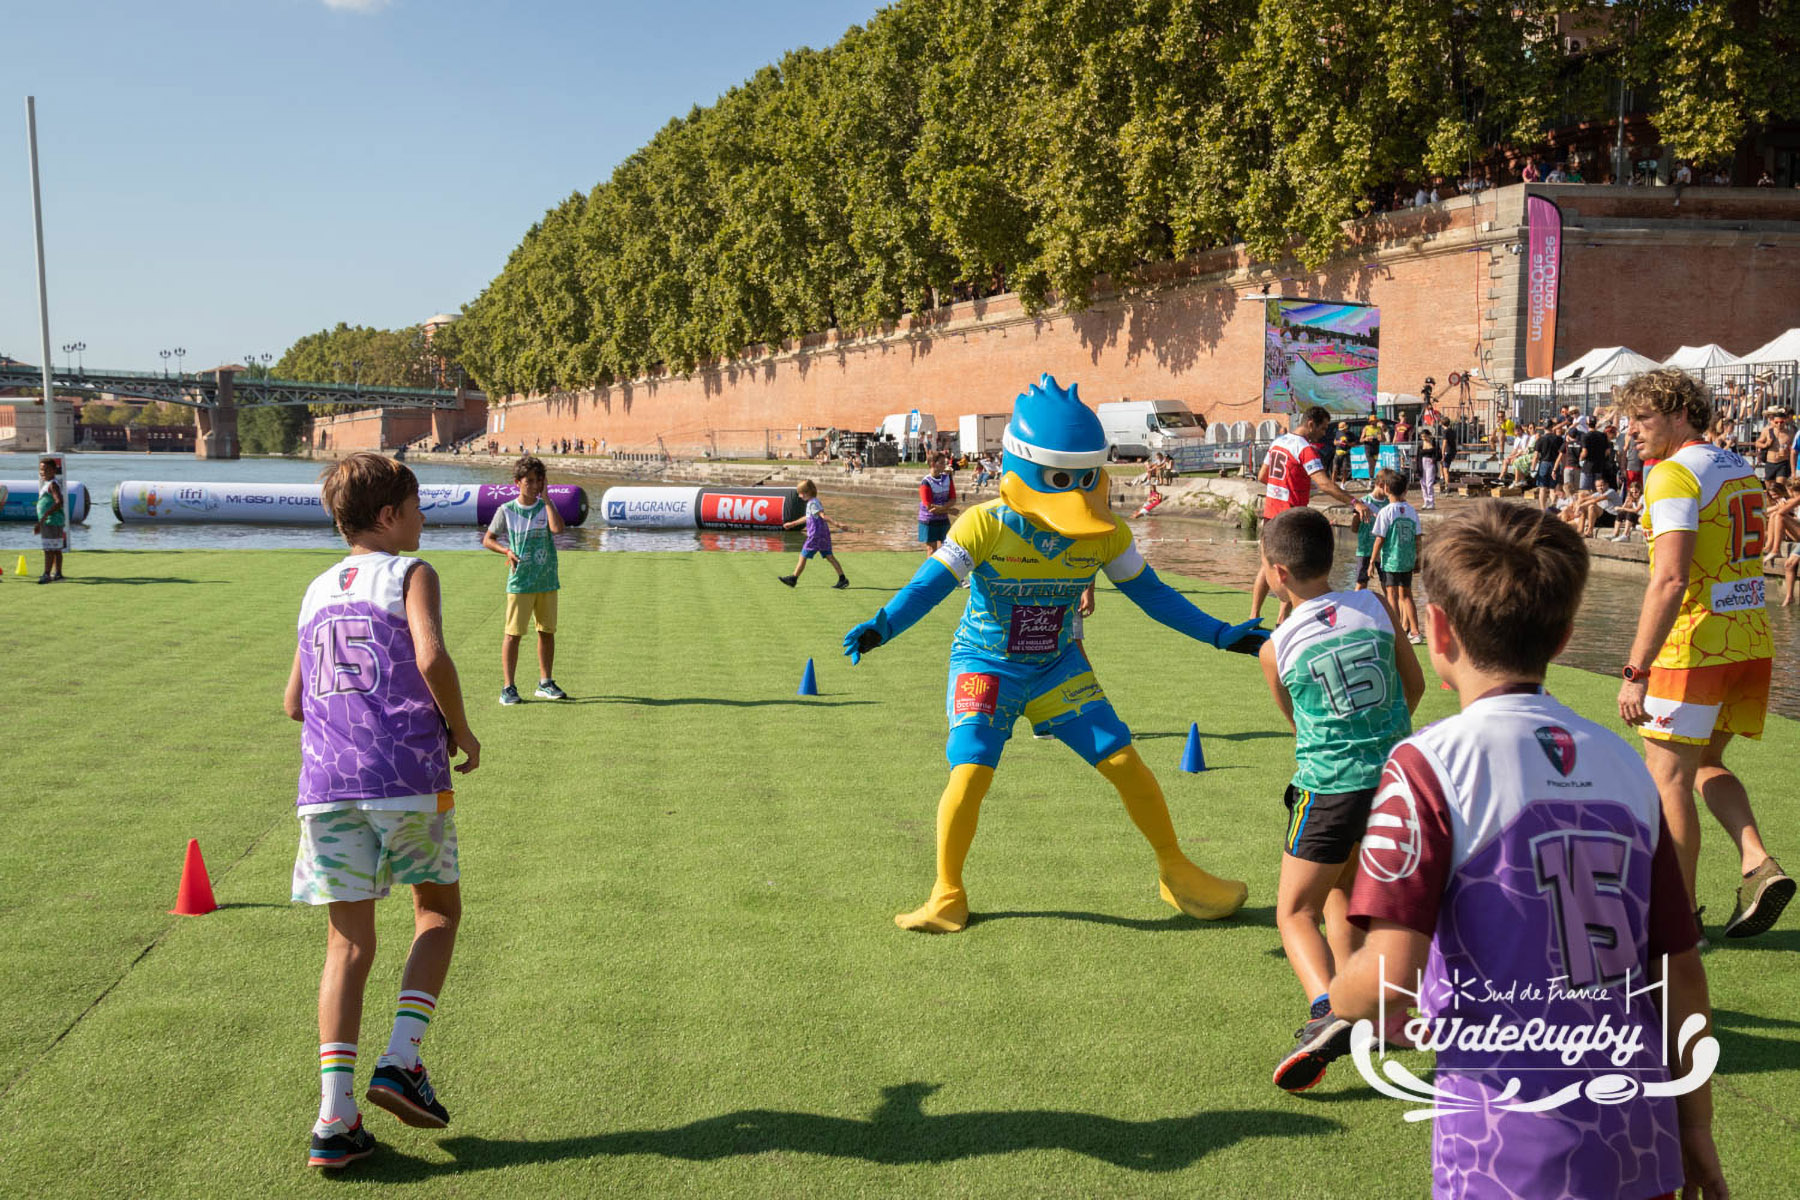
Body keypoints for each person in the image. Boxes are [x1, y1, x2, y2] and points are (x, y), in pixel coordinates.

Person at [1329, 501, 1724, 1200]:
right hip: (1639, 1135)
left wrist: (1335, 995)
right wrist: (1694, 1128)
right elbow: (1680, 971)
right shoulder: (1627, 765)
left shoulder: (1429, 764)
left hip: (1504, 1147)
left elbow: (1389, 977)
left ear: (1438, 630)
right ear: (1567, 634)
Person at [843, 375, 1262, 934]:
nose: (1076, 490)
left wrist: (1217, 632)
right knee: (969, 771)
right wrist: (884, 624)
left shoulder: (1103, 534)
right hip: (986, 665)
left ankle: (1175, 869)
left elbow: (1152, 594)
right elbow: (931, 584)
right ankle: (947, 893)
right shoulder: (986, 524)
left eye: (1086, 477)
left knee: (1123, 761)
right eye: (1062, 477)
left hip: (1057, 666)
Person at [286, 453, 480, 1170]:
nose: (425, 517)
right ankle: (401, 1059)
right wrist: (462, 728)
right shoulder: (411, 572)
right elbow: (430, 656)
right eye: (418, 504)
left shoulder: (312, 590)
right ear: (392, 514)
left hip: (325, 789)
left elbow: (292, 701)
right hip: (404, 777)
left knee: (347, 948)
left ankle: (334, 1119)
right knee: (437, 912)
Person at [1616, 368, 1791, 940]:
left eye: (1642, 418)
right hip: (1748, 639)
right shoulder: (1736, 464)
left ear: (1680, 414)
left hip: (1693, 645)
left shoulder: (1671, 474)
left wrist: (1635, 670)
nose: (1631, 431)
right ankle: (1756, 862)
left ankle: (1677, 918)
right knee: (1705, 764)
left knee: (1666, 776)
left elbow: (1668, 579)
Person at [1257, 508, 1422, 1092]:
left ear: (1277, 573)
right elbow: (1415, 684)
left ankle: (1329, 1012)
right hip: (1397, 784)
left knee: (1293, 912)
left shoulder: (1276, 646)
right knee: (1345, 898)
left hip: (1329, 789)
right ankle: (1381, 1017)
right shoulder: (1375, 606)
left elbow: (1298, 723)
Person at [1252, 406, 1371, 623]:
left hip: (1270, 513)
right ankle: (1282, 621)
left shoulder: (1277, 442)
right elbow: (1325, 484)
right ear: (1311, 424)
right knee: (1293, 567)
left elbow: (1262, 476)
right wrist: (1355, 502)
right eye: (1323, 428)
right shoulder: (1305, 448)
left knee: (1267, 566)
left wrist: (1291, 486)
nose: (1325, 433)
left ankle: (1254, 617)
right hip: (1290, 518)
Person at [481, 455, 567, 705]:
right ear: (517, 482)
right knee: (513, 635)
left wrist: (548, 500)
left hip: (547, 581)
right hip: (520, 584)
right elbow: (488, 539)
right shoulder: (506, 510)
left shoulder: (545, 507)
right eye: (529, 480)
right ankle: (508, 688)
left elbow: (557, 529)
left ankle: (545, 683)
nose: (535, 485)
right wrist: (506, 551)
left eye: (539, 480)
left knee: (547, 632)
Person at [1369, 470, 1423, 643]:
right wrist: (1418, 559)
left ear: (1385, 489)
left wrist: (1371, 561)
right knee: (1406, 595)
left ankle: (1395, 630)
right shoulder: (1412, 511)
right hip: (1407, 559)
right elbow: (1418, 538)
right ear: (1405, 490)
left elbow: (1379, 539)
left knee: (1391, 593)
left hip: (1392, 559)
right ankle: (1415, 632)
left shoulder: (1386, 512)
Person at [778, 479, 850, 589]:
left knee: (803, 555)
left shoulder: (813, 503)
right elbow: (808, 518)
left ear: (807, 492)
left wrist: (837, 524)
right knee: (829, 556)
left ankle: (793, 578)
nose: (799, 496)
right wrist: (793, 523)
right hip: (823, 535)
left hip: (815, 536)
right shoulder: (813, 502)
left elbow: (823, 515)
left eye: (800, 493)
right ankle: (842, 579)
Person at [32, 457, 66, 584]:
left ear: (53, 471)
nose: (42, 472)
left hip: (51, 521)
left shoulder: (52, 485)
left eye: (45, 469)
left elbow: (59, 502)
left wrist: (45, 516)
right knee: (56, 548)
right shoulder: (48, 484)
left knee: (48, 549)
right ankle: (58, 573)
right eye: (40, 469)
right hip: (54, 521)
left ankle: (46, 574)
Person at [918, 451, 957, 552]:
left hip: (943, 519)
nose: (945, 465)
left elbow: (953, 499)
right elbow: (930, 507)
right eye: (942, 463)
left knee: (947, 549)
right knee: (931, 549)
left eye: (945, 462)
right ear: (933, 464)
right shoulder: (925, 482)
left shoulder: (948, 477)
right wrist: (949, 511)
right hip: (928, 520)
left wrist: (942, 508)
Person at [1416, 428, 1440, 509]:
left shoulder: (1434, 443)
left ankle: (1431, 502)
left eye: (1425, 436)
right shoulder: (1420, 445)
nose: (1424, 438)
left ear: (1429, 435)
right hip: (1422, 463)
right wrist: (1417, 468)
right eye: (1422, 437)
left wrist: (1434, 459)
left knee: (1429, 483)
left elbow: (1438, 455)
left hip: (1430, 463)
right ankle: (1426, 501)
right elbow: (1418, 456)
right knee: (1422, 483)